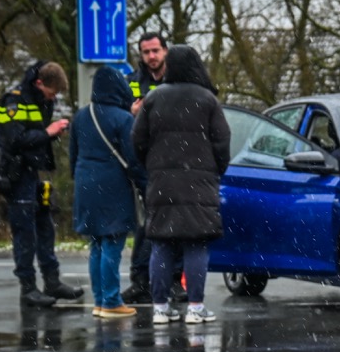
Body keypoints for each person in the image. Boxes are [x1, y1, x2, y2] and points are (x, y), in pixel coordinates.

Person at [131, 44, 230, 325]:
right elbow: (222, 141)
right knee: (196, 243)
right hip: (199, 182)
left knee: (161, 244)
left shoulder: (154, 98)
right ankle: (195, 307)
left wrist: (153, 166)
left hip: (162, 182)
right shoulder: (207, 100)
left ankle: (160, 308)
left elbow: (137, 139)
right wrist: (214, 169)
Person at [0, 60, 84, 307]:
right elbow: (14, 140)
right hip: (17, 174)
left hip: (37, 173)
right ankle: (28, 288)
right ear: (39, 83)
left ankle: (52, 282)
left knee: (46, 228)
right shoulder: (12, 101)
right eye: (51, 93)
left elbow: (35, 135)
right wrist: (48, 132)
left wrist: (51, 133)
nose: (52, 98)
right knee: (25, 233)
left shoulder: (41, 101)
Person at [69, 66, 148, 319]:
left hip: (85, 186)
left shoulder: (81, 116)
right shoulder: (122, 119)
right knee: (113, 243)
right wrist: (145, 186)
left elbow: (72, 157)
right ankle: (112, 301)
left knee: (96, 245)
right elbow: (133, 160)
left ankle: (99, 301)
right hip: (113, 186)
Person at [123, 32, 169, 304]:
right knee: (147, 224)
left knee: (174, 223)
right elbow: (117, 120)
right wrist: (131, 114)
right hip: (143, 162)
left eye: (155, 50)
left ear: (165, 51)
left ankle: (173, 281)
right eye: (146, 52)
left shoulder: (178, 80)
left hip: (174, 162)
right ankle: (140, 281)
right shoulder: (130, 83)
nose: (151, 56)